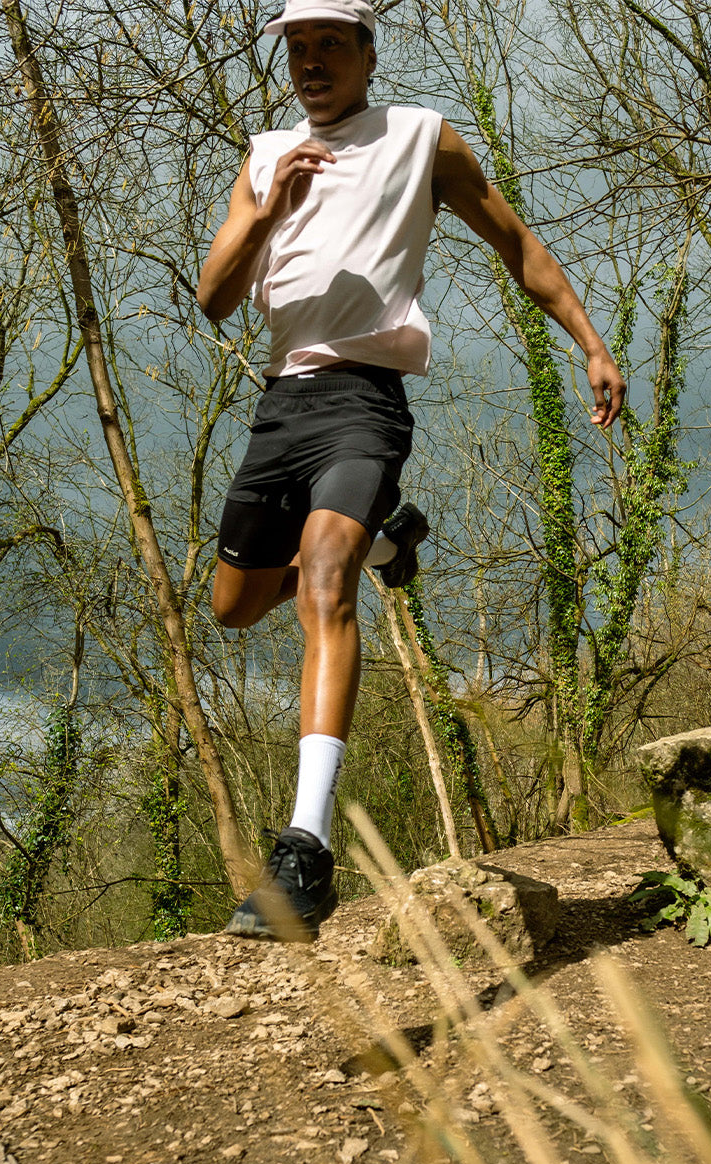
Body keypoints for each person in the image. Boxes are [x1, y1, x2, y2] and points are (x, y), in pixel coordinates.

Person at [196, 0, 625, 944]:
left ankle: (304, 852)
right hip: (281, 406)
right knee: (233, 606)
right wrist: (271, 213)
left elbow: (520, 245)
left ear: (366, 54)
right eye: (297, 48)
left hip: (363, 400)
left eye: (330, 45)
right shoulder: (267, 155)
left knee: (321, 581)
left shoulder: (422, 138)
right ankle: (394, 541)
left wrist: (590, 342)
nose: (311, 62)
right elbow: (216, 299)